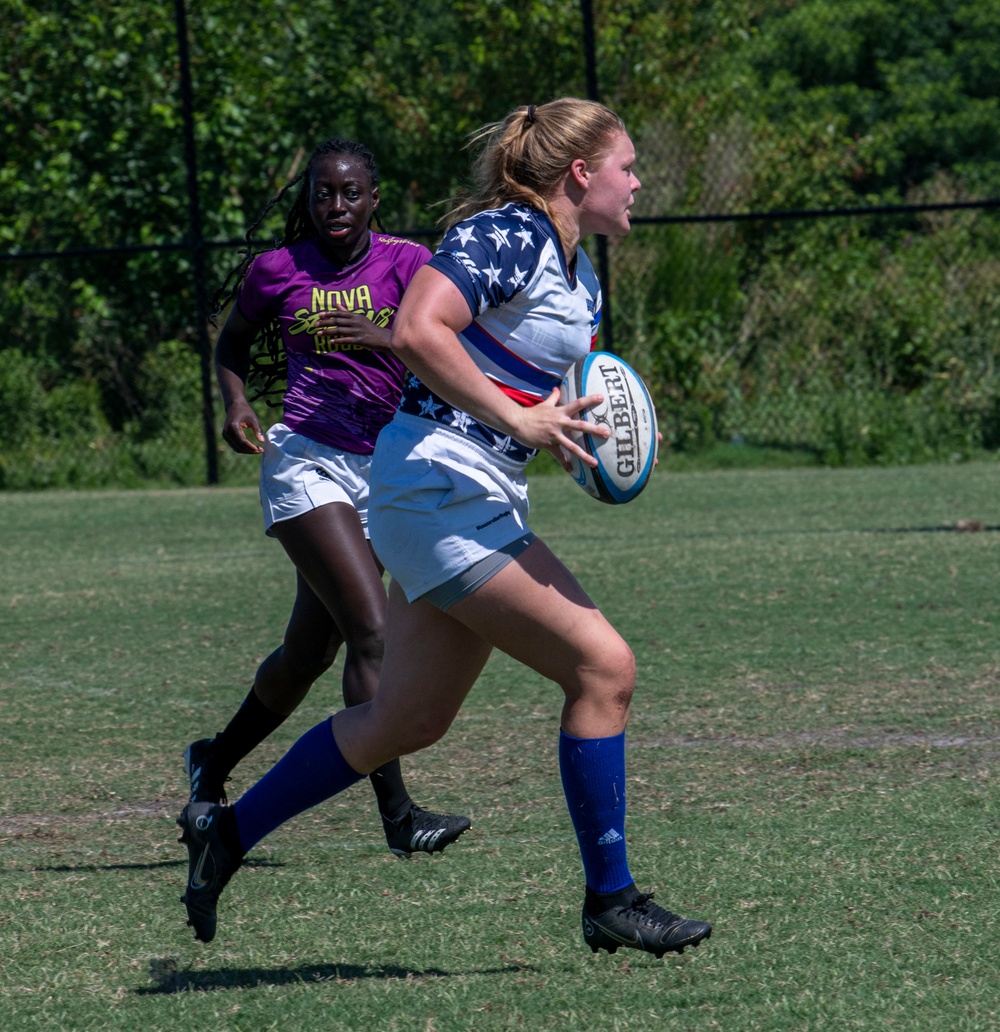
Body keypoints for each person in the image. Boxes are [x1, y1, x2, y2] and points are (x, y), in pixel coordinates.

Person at [177, 99, 713, 957]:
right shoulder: (505, 233)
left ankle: (228, 833)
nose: (639, 181)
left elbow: (538, 390)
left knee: (406, 719)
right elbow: (421, 329)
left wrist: (571, 432)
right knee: (603, 666)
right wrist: (523, 419)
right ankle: (611, 899)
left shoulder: (582, 278)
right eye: (628, 165)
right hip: (435, 485)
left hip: (474, 489)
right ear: (581, 173)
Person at [183, 137, 471, 876]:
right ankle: (399, 816)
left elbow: (451, 346)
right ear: (307, 199)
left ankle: (210, 766)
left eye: (350, 194)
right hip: (305, 462)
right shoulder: (276, 271)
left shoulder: (410, 264)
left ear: (375, 199)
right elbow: (231, 343)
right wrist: (237, 400)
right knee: (373, 632)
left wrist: (387, 337)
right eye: (322, 193)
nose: (335, 206)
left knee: (309, 655)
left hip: (387, 470)